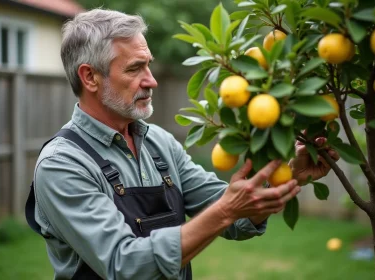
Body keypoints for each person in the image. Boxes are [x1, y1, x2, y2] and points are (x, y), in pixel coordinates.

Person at [27, 8, 340, 280]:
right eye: (135, 68)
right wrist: (226, 211)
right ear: (90, 77)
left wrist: (289, 174)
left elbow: (238, 218)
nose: (152, 80)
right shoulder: (62, 164)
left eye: (148, 65)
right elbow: (124, 265)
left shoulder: (159, 144)